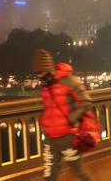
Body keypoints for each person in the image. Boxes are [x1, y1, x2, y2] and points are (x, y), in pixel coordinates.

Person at [32, 49, 95, 181]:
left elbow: (86, 102)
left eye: (41, 73)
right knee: (49, 176)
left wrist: (71, 119)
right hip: (50, 138)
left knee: (79, 172)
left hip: (68, 138)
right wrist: (44, 121)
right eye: (37, 75)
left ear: (48, 69)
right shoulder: (45, 86)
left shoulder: (69, 81)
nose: (40, 77)